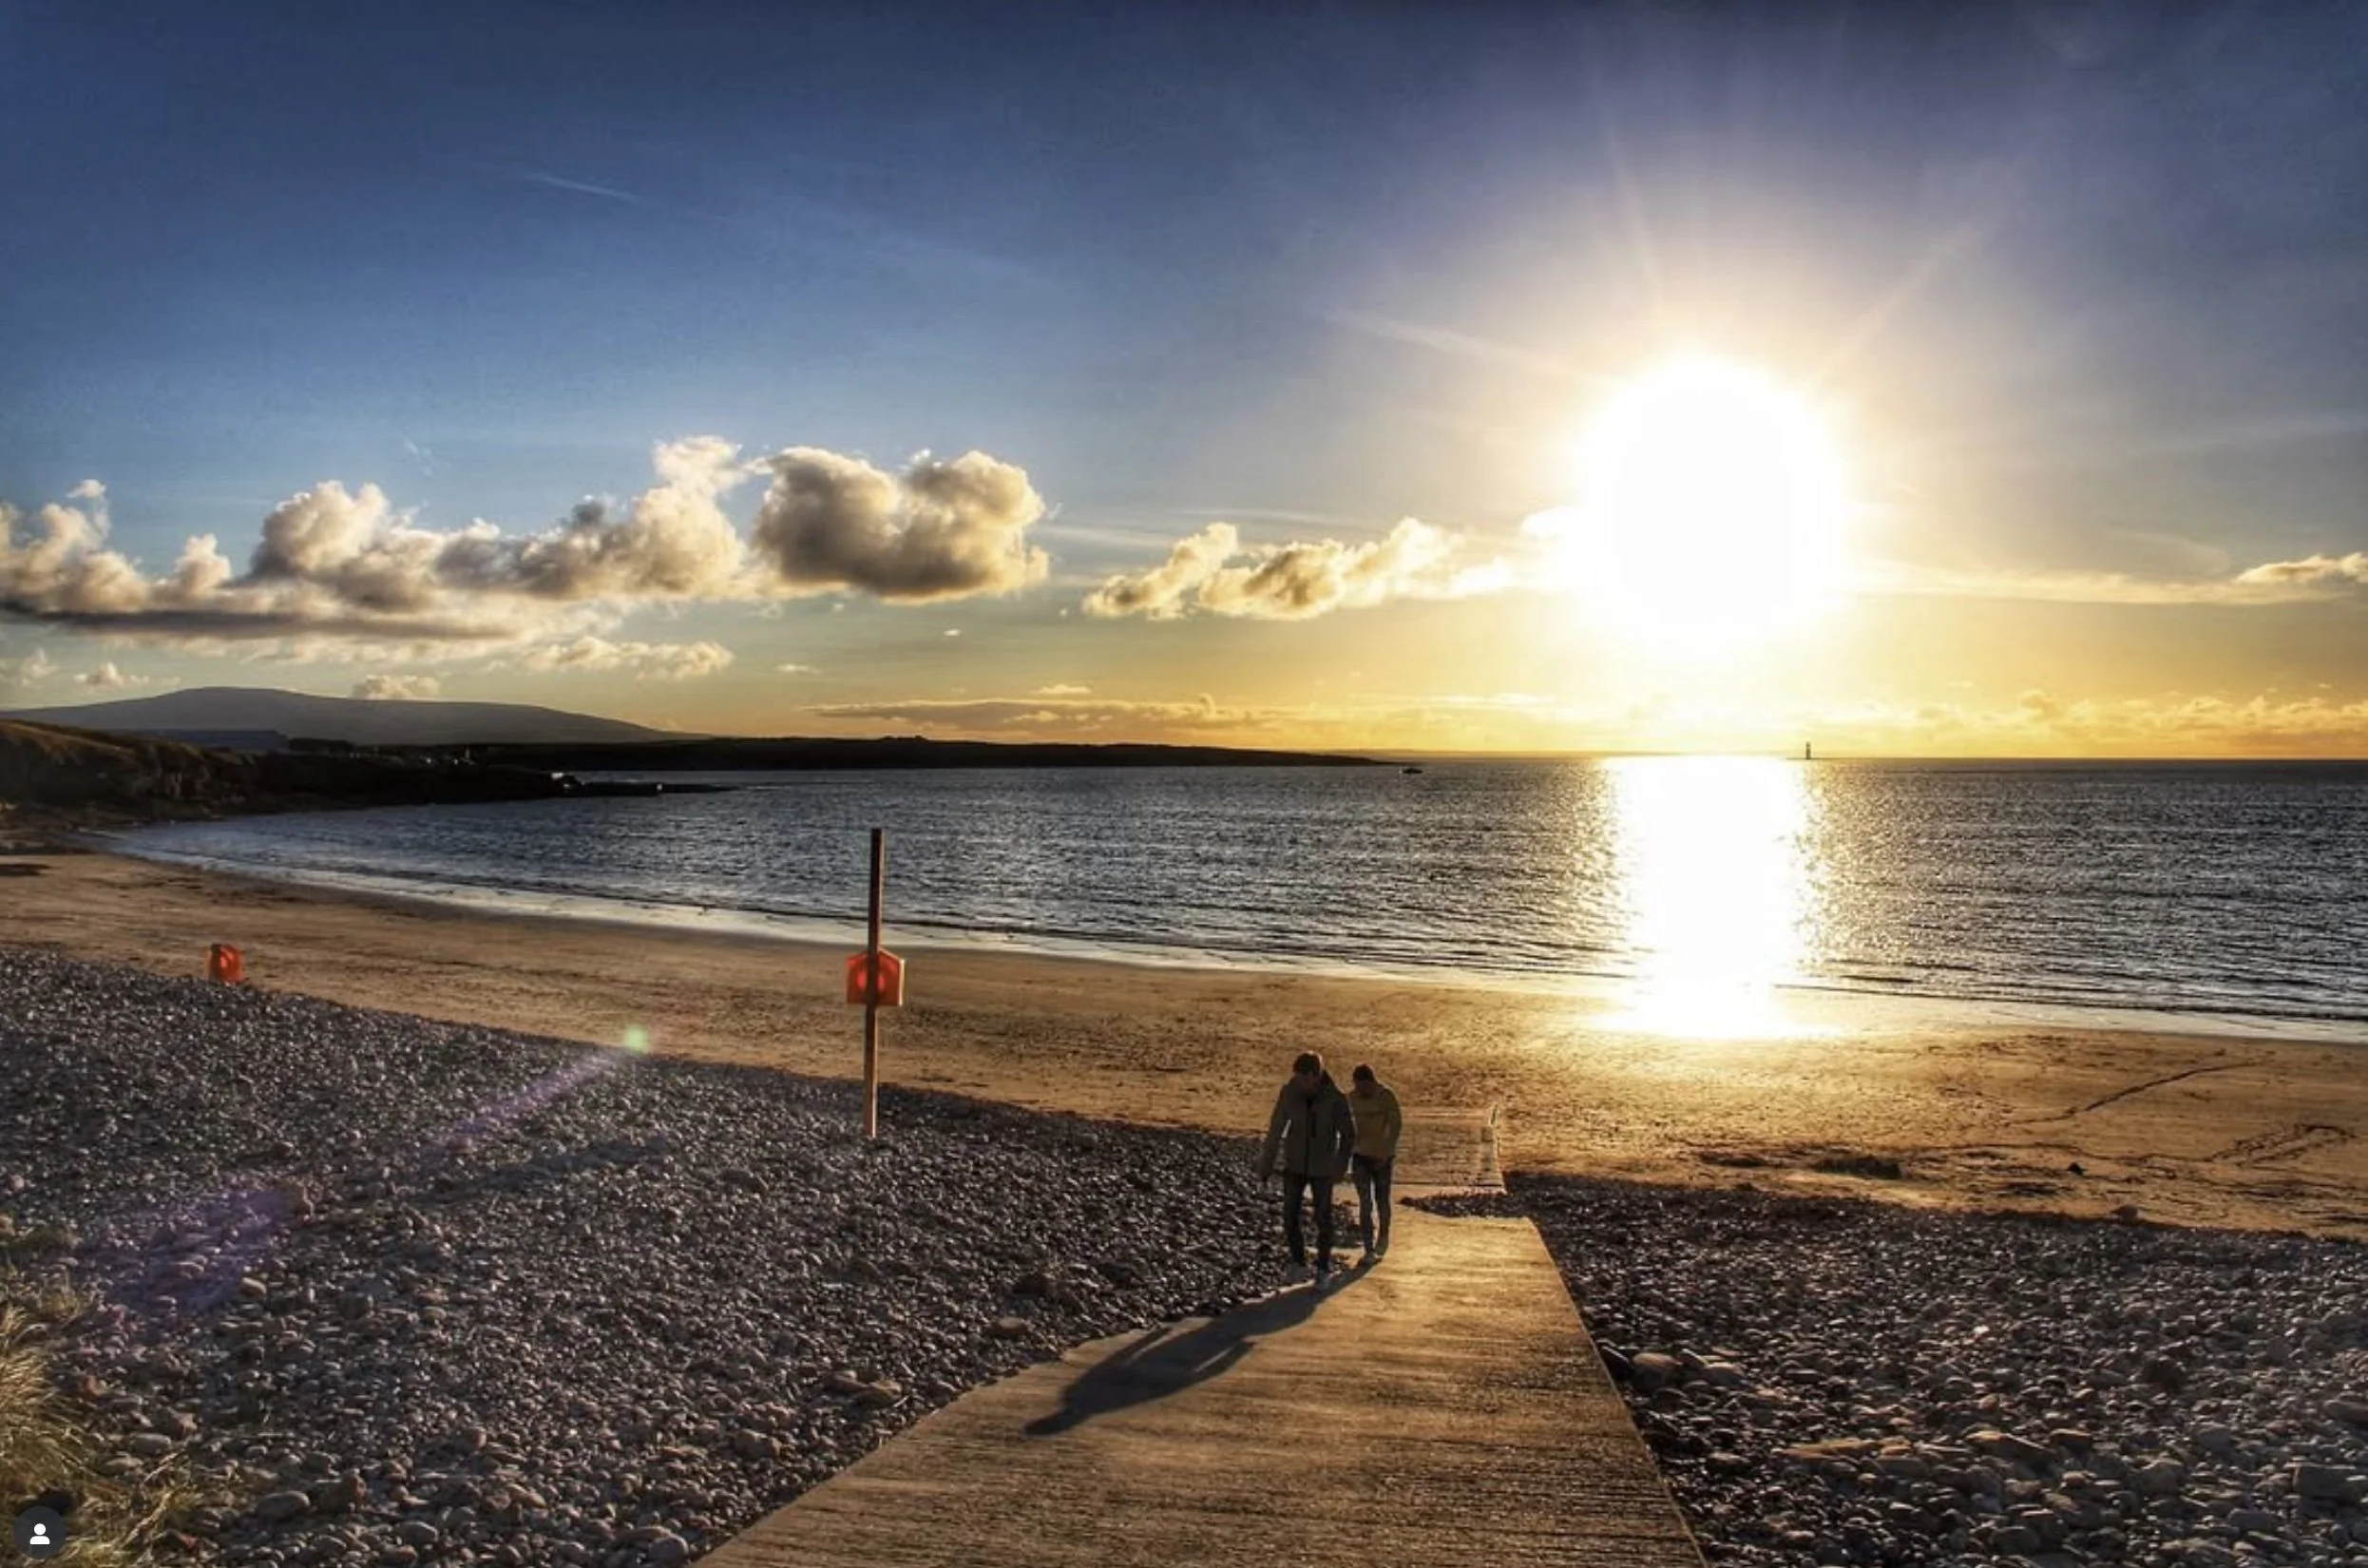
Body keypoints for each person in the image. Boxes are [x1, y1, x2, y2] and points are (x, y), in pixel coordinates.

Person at [1255, 1050, 1357, 1286]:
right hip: (1295, 1164)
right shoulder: (1289, 1093)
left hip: (1322, 1168)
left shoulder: (1336, 1099)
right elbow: (1276, 1128)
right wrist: (1266, 1164)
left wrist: (1340, 1166)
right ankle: (1298, 1263)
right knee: (1289, 1216)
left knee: (1323, 1219)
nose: (1299, 1083)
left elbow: (1349, 1136)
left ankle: (1323, 1269)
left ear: (1315, 1076)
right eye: (1297, 1078)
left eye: (1303, 1079)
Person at [1346, 1062, 1404, 1262]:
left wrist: (1386, 1152)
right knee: (1365, 1202)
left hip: (1382, 1158)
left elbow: (1396, 1126)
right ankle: (1368, 1249)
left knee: (1382, 1200)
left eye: (1363, 1087)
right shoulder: (1351, 1099)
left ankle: (1384, 1236)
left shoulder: (1386, 1096)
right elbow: (1344, 1127)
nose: (1360, 1091)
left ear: (1371, 1082)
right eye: (1357, 1086)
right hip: (1360, 1156)